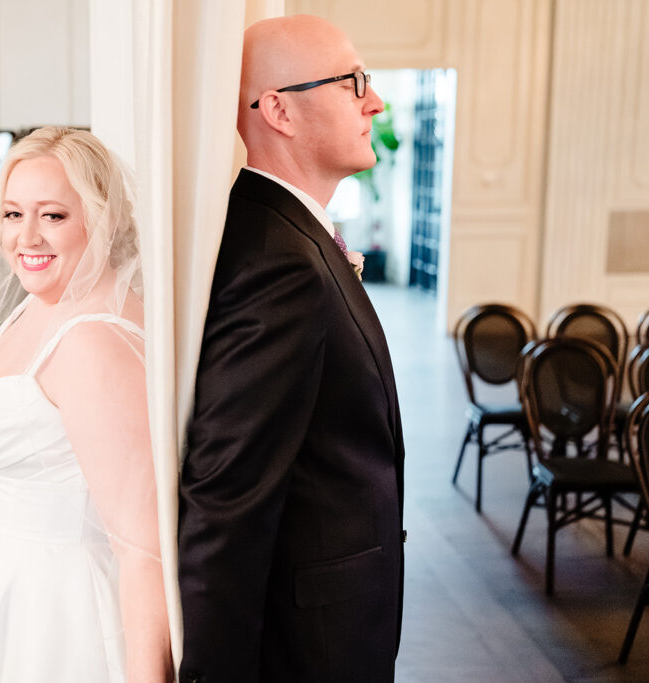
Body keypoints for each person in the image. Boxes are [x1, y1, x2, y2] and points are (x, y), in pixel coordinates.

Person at [178, 15, 405, 682]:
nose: (376, 101)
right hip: (309, 647)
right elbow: (228, 499)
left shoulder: (286, 233)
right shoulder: (280, 261)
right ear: (277, 109)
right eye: (353, 83)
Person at [0, 127, 172, 682]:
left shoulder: (93, 342)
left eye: (53, 215)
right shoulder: (42, 301)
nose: (26, 237)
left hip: (50, 610)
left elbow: (141, 546)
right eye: (12, 214)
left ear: (102, 219)